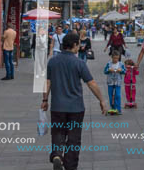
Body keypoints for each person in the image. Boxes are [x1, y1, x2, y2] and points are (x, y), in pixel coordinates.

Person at [42, 32, 107, 170]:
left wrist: (45, 99)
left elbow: (47, 83)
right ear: (74, 45)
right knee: (73, 138)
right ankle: (70, 166)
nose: (80, 46)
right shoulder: (79, 63)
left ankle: (57, 155)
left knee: (58, 133)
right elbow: (91, 83)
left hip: (57, 107)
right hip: (75, 108)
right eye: (78, 44)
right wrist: (101, 100)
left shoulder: (53, 61)